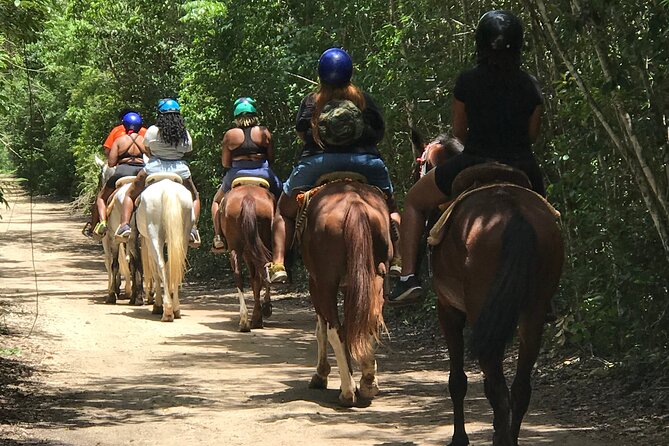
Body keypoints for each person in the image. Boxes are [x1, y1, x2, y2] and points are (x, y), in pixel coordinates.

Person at [388, 10, 547, 305]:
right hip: (522, 165)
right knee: (547, 217)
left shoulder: (468, 81)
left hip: (474, 161)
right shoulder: (531, 85)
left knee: (414, 201)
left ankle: (408, 277)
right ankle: (545, 292)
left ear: (481, 45)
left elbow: (459, 131)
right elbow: (532, 135)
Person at [265, 47, 400, 283]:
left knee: (283, 211)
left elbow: (301, 131)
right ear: (350, 73)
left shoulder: (312, 101)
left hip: (318, 163)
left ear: (320, 75)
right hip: (366, 163)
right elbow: (378, 131)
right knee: (391, 208)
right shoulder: (364, 99)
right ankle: (399, 260)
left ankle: (278, 263)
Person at [114, 98, 201, 247]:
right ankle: (193, 229)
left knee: (130, 194)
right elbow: (188, 150)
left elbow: (147, 149)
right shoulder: (184, 133)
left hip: (154, 167)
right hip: (180, 169)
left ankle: (124, 226)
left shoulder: (153, 130)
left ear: (160, 114)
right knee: (195, 197)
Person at [211, 97, 283, 252]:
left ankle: (218, 237)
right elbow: (271, 159)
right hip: (264, 173)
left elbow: (225, 163)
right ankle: (286, 236)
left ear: (236, 116)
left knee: (216, 201)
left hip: (237, 174)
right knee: (284, 199)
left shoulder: (230, 135)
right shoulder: (264, 132)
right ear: (254, 114)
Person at [83, 108, 147, 238]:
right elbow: (150, 157)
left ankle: (102, 223)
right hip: (141, 172)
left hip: (123, 171)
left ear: (124, 124)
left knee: (101, 197)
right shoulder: (144, 138)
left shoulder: (119, 139)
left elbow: (111, 163)